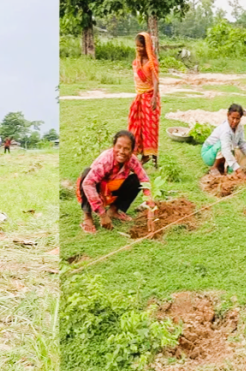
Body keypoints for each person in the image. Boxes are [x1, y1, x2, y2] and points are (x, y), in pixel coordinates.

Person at [77, 130, 156, 235]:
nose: (122, 151)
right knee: (87, 175)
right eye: (118, 147)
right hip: (96, 190)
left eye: (126, 148)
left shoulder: (132, 160)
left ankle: (113, 211)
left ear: (132, 150)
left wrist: (151, 209)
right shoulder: (106, 160)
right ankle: (87, 216)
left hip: (111, 189)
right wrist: (102, 215)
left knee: (136, 179)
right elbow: (88, 184)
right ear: (113, 146)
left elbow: (144, 180)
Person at [128, 32, 160, 168]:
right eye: (136, 46)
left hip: (149, 98)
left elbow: (156, 81)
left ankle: (152, 158)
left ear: (146, 46)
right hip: (139, 99)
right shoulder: (135, 62)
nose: (138, 49)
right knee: (136, 127)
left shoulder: (151, 63)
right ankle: (140, 155)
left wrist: (154, 99)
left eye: (141, 46)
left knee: (150, 129)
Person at [202, 104, 246, 176]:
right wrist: (237, 169)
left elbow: (242, 142)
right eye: (233, 118)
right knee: (224, 145)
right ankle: (214, 167)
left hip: (223, 150)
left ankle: (223, 167)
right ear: (228, 115)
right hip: (209, 153)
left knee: (239, 153)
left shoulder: (240, 128)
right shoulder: (225, 129)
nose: (235, 121)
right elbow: (225, 150)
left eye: (237, 119)